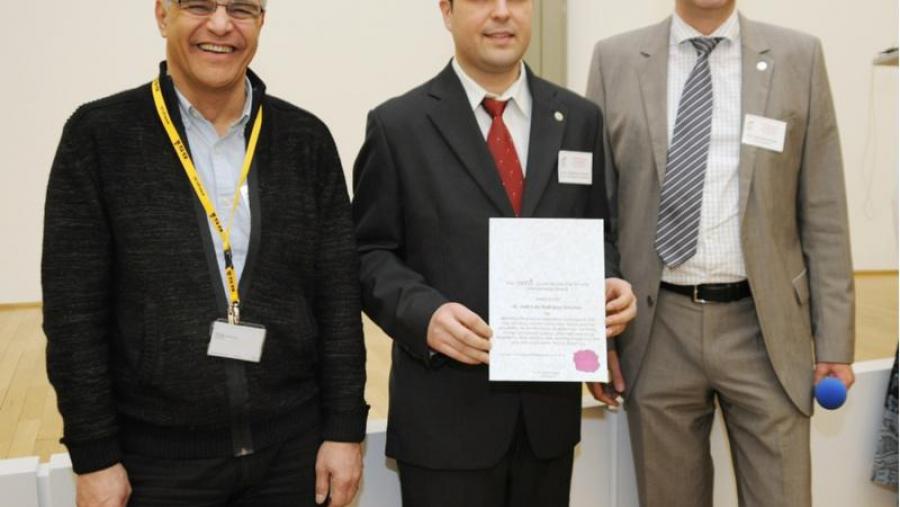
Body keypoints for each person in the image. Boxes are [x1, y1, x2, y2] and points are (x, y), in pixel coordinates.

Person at [42, 1, 367, 505]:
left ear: (261, 21)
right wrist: (94, 457)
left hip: (292, 454)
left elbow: (339, 299)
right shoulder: (98, 138)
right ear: (161, 15)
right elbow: (73, 316)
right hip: (158, 464)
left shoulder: (306, 140)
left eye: (241, 8)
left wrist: (345, 429)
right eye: (198, 4)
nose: (220, 24)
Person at [352, 0, 637, 505]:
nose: (503, 14)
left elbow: (598, 235)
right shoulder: (399, 125)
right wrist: (425, 314)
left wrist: (609, 285)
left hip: (546, 423)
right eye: (483, 0)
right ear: (446, 10)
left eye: (518, 0)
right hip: (444, 420)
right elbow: (367, 254)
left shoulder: (578, 120)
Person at [586, 1, 855, 505]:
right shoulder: (614, 60)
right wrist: (596, 338)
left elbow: (825, 210)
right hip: (656, 327)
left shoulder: (800, 56)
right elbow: (598, 211)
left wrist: (835, 340)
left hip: (767, 329)